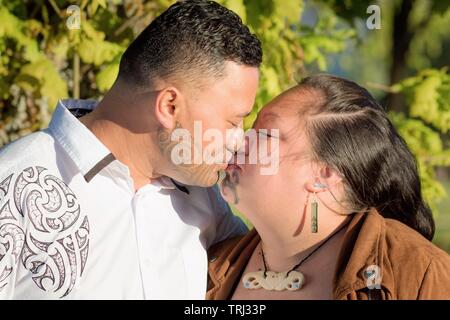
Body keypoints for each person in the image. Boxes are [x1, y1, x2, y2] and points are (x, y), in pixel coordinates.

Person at [0, 0, 262, 299]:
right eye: (232, 122)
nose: (239, 140)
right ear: (169, 106)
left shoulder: (207, 201)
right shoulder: (13, 186)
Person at [207, 74, 450, 300]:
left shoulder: (418, 274)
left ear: (325, 174)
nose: (238, 140)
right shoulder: (209, 265)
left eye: (266, 134)